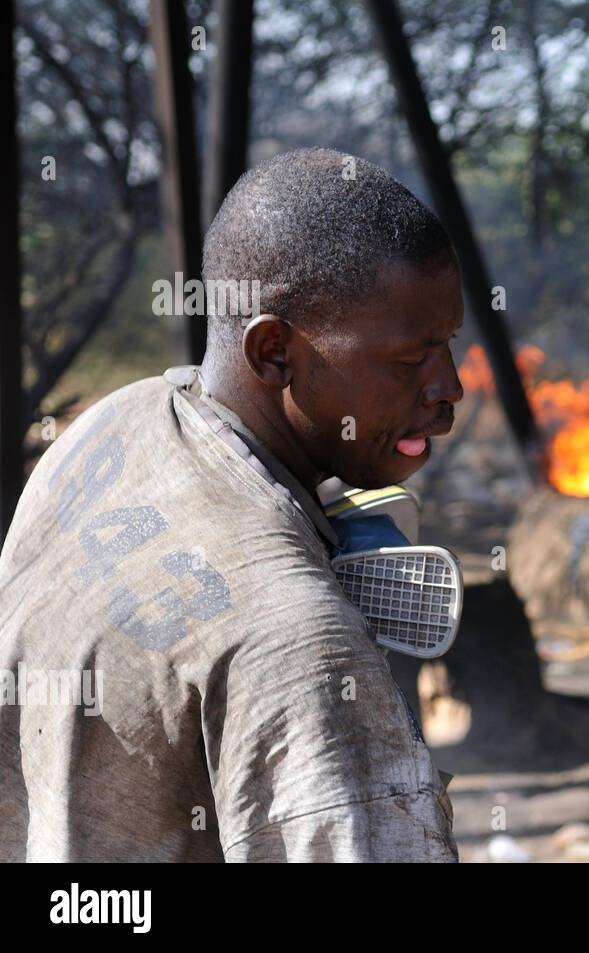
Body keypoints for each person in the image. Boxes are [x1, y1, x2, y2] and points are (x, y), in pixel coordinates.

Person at [0, 148, 464, 861]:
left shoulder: (105, 431)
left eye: (449, 345)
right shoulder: (302, 645)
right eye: (410, 360)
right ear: (274, 351)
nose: (450, 388)